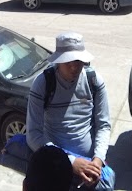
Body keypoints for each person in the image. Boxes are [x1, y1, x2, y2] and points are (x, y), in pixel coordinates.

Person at [27, 32, 114, 190]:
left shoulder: (94, 81)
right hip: (56, 169)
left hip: (90, 166)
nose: (74, 67)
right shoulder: (43, 84)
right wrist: (70, 161)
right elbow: (33, 134)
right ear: (58, 61)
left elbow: (103, 125)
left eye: (78, 60)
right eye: (68, 61)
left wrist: (97, 161)